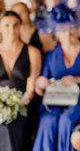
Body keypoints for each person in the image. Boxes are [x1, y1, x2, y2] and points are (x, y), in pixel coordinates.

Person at [33, 2, 80, 151]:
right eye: (62, 30)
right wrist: (40, 83)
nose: (67, 34)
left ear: (77, 29)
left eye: (70, 29)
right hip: (54, 99)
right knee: (47, 122)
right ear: (57, 33)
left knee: (66, 122)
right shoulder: (51, 55)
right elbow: (40, 86)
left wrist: (79, 80)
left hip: (79, 99)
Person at [0, 11, 41, 151]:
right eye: (6, 25)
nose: (11, 30)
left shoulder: (32, 52)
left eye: (15, 25)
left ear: (20, 27)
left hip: (23, 105)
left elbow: (31, 89)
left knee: (8, 126)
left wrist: (19, 103)